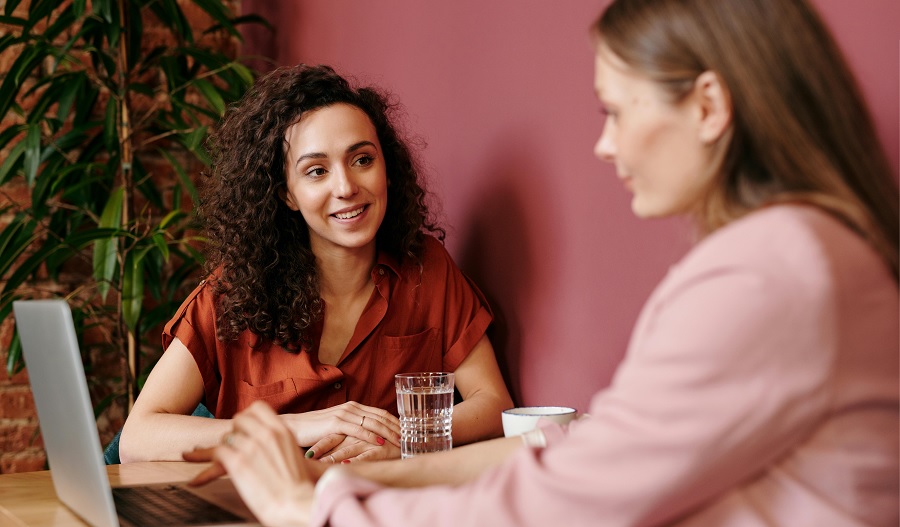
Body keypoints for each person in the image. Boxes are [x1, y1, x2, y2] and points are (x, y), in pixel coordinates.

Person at [184, 0, 900, 525]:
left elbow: (569, 497)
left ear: (709, 105)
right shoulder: (806, 253)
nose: (606, 146)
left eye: (616, 111)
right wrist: (365, 482)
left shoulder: (767, 275)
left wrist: (314, 507)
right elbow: (574, 458)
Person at [119, 65, 513, 463]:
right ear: (286, 194)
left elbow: (494, 402)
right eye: (316, 171)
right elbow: (138, 437)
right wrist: (299, 426)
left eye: (362, 160)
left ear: (387, 170)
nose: (345, 188)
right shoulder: (232, 293)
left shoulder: (426, 269)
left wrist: (400, 440)